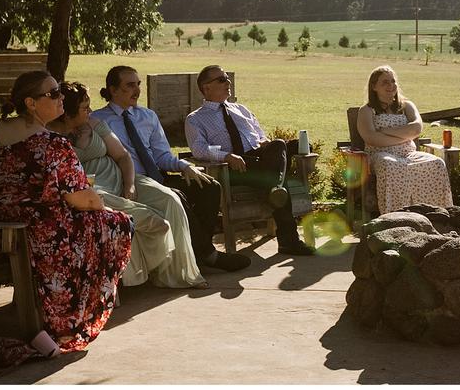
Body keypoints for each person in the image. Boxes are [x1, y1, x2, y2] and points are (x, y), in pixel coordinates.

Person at [0, 70, 133, 355]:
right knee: (118, 223)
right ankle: (74, 314)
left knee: (97, 221)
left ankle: (60, 309)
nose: (61, 98)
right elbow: (83, 198)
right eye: (53, 93)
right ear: (31, 103)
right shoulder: (51, 144)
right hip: (40, 241)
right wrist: (102, 205)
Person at [90, 65, 250, 273]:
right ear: (113, 89)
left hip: (157, 176)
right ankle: (207, 255)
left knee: (210, 187)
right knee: (177, 196)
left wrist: (186, 166)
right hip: (130, 182)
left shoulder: (147, 116)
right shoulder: (98, 121)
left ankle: (195, 251)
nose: (137, 90)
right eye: (130, 85)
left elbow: (162, 155)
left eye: (138, 84)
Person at [48, 82, 208, 289]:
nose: (90, 111)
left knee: (170, 199)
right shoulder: (49, 136)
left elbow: (123, 156)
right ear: (67, 113)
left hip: (121, 177)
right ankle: (144, 253)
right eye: (84, 107)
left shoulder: (95, 124)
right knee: (115, 204)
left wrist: (130, 185)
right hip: (90, 188)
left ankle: (178, 274)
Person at [184, 64, 315, 256]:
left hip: (259, 161)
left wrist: (265, 143)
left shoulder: (241, 110)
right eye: (221, 79)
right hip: (233, 167)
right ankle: (288, 236)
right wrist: (227, 156)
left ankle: (274, 187)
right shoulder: (196, 119)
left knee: (279, 144)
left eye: (227, 77)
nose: (228, 82)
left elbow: (260, 136)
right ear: (206, 88)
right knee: (278, 175)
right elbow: (199, 149)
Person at [356, 66, 454, 214]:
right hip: (380, 155)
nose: (391, 85)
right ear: (374, 86)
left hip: (409, 154)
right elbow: (372, 138)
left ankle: (437, 215)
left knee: (437, 163)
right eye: (385, 82)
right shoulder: (367, 110)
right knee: (390, 164)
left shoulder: (406, 106)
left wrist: (386, 132)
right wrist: (404, 136)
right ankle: (395, 217)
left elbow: (416, 129)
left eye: (393, 81)